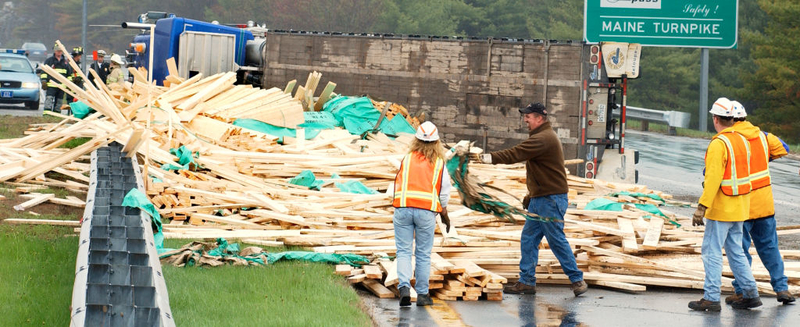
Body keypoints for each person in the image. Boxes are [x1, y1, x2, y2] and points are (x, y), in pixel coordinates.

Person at [476, 102, 587, 297]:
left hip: (550, 200)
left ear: (539, 118)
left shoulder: (543, 139)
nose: (525, 120)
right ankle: (526, 281)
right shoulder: (541, 136)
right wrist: (531, 196)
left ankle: (577, 279)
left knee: (556, 240)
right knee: (529, 238)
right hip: (541, 198)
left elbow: (515, 153)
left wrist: (487, 158)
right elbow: (541, 173)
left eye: (528, 117)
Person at [689, 97, 762, 312]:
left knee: (711, 252)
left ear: (715, 119)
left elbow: (713, 178)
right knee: (736, 252)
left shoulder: (719, 144)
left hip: (721, 208)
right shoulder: (743, 141)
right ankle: (750, 293)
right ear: (732, 119)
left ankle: (711, 297)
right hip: (740, 207)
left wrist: (702, 206)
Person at [726, 100, 795, 305]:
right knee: (770, 247)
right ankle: (782, 289)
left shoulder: (729, 139)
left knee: (739, 250)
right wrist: (765, 158)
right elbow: (784, 148)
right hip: (765, 205)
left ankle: (742, 291)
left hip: (742, 205)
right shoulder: (763, 137)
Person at [392, 121, 452, 307]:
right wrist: (444, 213)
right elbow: (444, 192)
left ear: (416, 140)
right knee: (423, 254)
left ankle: (403, 288)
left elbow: (398, 181)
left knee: (403, 251)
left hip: (403, 208)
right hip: (426, 212)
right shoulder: (439, 163)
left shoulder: (407, 158)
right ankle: (423, 294)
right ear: (436, 142)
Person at [40, 43, 72, 112]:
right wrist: (44, 81)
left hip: (61, 86)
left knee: (59, 101)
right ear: (54, 51)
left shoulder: (65, 62)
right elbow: (44, 72)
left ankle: (56, 114)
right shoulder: (49, 61)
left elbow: (69, 74)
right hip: (51, 85)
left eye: (60, 51)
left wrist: (69, 84)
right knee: (49, 99)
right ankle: (47, 113)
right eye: (57, 51)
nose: (59, 52)